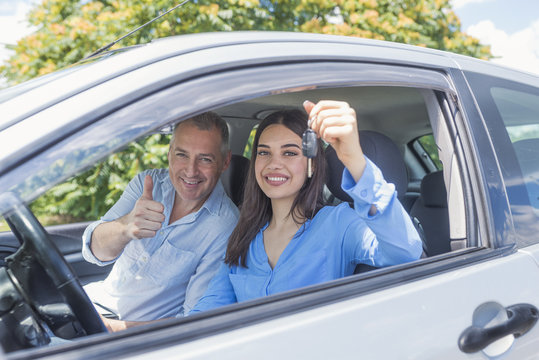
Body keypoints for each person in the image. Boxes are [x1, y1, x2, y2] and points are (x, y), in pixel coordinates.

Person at [190, 100, 422, 313]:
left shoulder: (339, 223)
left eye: (290, 152)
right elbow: (208, 310)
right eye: (264, 153)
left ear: (312, 163)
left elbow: (405, 251)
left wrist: (354, 160)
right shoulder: (243, 235)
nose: (274, 164)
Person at [81, 112, 239, 323]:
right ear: (170, 153)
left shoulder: (225, 227)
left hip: (133, 336)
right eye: (182, 155)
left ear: (225, 161)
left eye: (205, 159)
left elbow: (192, 321)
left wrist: (114, 330)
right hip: (92, 302)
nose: (191, 171)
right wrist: (124, 228)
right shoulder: (147, 183)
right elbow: (93, 251)